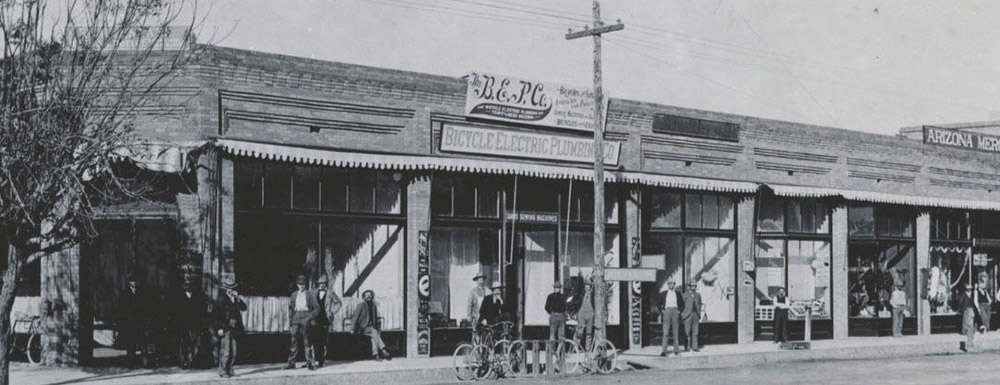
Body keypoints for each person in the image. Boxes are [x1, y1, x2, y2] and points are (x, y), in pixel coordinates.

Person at [172, 276, 207, 369]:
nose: (188, 287)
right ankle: (184, 362)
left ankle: (193, 361)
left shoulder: (197, 296)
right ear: (183, 286)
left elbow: (201, 310)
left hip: (194, 324)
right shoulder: (178, 297)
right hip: (183, 325)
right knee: (183, 344)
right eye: (186, 285)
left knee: (195, 343)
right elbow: (176, 312)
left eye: (190, 285)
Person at [214, 277, 246, 378]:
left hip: (235, 328)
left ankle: (231, 369)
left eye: (232, 287)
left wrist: (238, 298)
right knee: (226, 351)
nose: (230, 289)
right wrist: (219, 328)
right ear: (225, 288)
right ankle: (223, 371)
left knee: (234, 351)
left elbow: (244, 307)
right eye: (228, 287)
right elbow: (216, 315)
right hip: (225, 327)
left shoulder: (236, 299)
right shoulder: (221, 299)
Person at [286, 274, 319, 370]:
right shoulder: (294, 295)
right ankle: (291, 363)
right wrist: (291, 319)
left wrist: (310, 316)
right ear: (297, 285)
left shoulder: (309, 294)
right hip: (296, 317)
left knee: (307, 340)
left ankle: (309, 363)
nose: (301, 286)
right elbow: (290, 308)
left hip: (306, 316)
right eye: (300, 284)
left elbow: (317, 308)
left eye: (303, 284)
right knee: (293, 340)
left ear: (306, 285)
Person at [118, 274, 150, 369]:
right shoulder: (124, 293)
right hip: (130, 323)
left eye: (136, 281)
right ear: (129, 282)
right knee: (131, 343)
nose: (134, 283)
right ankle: (131, 363)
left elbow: (145, 306)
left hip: (140, 322)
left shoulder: (142, 293)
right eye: (132, 281)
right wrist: (125, 319)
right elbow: (121, 308)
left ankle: (145, 363)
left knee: (143, 342)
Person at [353, 289, 391, 361]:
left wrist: (377, 327)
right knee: (374, 332)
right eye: (366, 295)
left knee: (374, 336)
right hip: (362, 328)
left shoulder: (373, 306)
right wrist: (352, 328)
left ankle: (376, 355)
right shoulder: (360, 305)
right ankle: (383, 350)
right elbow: (355, 317)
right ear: (363, 297)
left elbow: (375, 318)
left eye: (370, 295)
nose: (368, 297)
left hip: (371, 328)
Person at [312, 275, 342, 368]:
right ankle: (314, 359)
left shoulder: (330, 293)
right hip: (314, 318)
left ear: (326, 284)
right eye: (320, 283)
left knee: (322, 340)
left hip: (325, 318)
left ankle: (321, 361)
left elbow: (339, 303)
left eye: (323, 283)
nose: (321, 285)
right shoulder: (313, 292)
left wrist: (332, 311)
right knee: (314, 339)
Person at [659, 279, 683, 357]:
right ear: (668, 284)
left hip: (675, 311)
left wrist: (679, 311)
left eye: (672, 283)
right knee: (665, 332)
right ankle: (664, 351)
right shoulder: (663, 293)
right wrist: (662, 311)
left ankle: (676, 351)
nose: (671, 285)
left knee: (675, 332)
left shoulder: (678, 293)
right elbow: (658, 303)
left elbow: (682, 304)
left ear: (674, 284)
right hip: (667, 311)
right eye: (669, 283)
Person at [574, 280, 596, 349]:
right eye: (586, 285)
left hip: (590, 314)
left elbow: (595, 305)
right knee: (580, 330)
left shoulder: (593, 295)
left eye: (588, 286)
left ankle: (588, 348)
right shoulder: (581, 294)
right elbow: (577, 303)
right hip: (582, 314)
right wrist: (577, 312)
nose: (587, 287)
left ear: (590, 287)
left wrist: (594, 313)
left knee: (589, 332)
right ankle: (576, 346)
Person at [682, 282, 703, 352]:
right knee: (687, 331)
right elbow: (681, 304)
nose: (694, 287)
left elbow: (700, 304)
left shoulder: (698, 295)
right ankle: (687, 346)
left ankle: (695, 346)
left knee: (695, 332)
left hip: (696, 315)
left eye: (695, 286)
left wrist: (699, 313)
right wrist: (683, 314)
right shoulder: (685, 294)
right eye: (692, 286)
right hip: (688, 315)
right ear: (689, 286)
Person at [959, 284, 977, 351]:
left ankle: (970, 345)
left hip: (970, 311)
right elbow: (960, 302)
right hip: (967, 311)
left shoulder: (970, 296)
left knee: (971, 328)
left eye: (970, 289)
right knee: (970, 328)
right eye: (969, 289)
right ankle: (969, 345)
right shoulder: (964, 295)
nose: (970, 290)